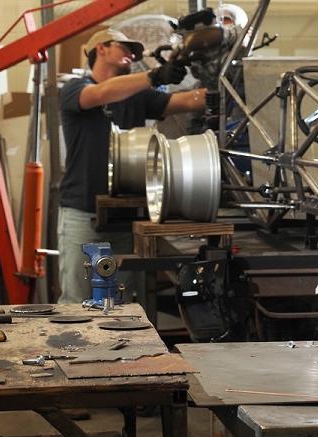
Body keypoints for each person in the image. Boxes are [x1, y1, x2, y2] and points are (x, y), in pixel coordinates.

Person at [58, 29, 207, 303]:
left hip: (127, 216)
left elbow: (185, 101)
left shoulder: (137, 95)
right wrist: (153, 76)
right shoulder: (74, 89)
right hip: (82, 213)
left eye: (133, 50)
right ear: (100, 49)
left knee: (120, 302)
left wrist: (220, 89)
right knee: (78, 301)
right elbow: (101, 93)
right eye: (123, 47)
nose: (131, 54)